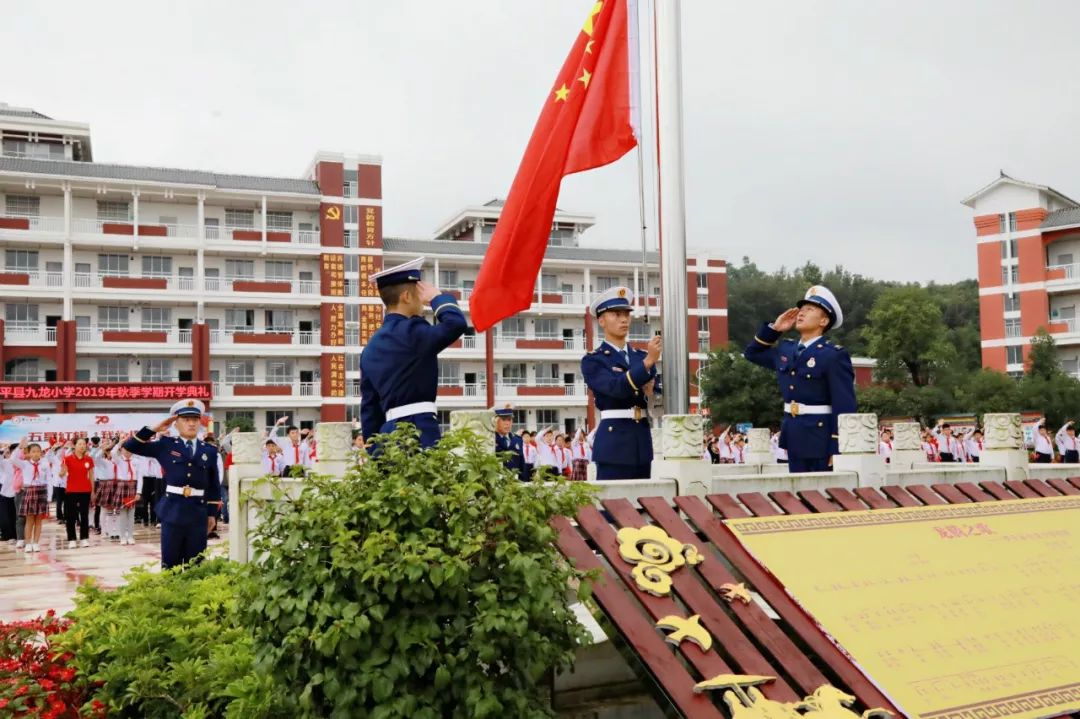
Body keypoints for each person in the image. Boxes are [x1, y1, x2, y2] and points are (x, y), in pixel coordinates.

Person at [744, 285, 856, 472]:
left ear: (823, 320)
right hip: (794, 434)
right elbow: (751, 353)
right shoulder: (786, 349)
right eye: (801, 310)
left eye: (809, 310)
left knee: (823, 497)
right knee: (798, 496)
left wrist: (837, 445)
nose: (801, 314)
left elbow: (844, 404)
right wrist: (775, 329)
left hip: (821, 437)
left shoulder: (833, 355)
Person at [360, 257, 467, 449]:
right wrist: (438, 298)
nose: (423, 302)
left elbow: (369, 408)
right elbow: (456, 324)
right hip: (420, 430)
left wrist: (375, 451)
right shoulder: (413, 331)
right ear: (407, 297)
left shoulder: (370, 347)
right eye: (419, 294)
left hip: (387, 437)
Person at [123, 399, 222, 569]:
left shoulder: (209, 450)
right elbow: (131, 446)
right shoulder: (166, 445)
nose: (191, 424)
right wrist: (154, 429)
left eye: (195, 419)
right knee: (170, 564)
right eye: (186, 420)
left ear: (200, 422)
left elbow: (213, 485)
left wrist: (211, 514)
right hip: (172, 511)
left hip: (198, 513)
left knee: (196, 564)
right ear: (176, 424)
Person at [581, 286, 661, 480]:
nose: (624, 319)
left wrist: (652, 393)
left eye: (626, 314)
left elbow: (656, 396)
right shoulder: (594, 360)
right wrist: (648, 363)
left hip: (641, 442)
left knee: (643, 506)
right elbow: (615, 388)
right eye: (616, 314)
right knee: (613, 507)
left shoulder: (639, 357)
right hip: (614, 445)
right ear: (601, 321)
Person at [9, 440, 53, 553]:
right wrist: (20, 446)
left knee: (38, 520)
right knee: (29, 520)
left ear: (41, 453)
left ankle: (36, 543)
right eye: (33, 451)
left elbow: (49, 480)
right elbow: (13, 459)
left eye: (38, 451)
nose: (36, 453)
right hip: (30, 491)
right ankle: (28, 543)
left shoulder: (45, 463)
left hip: (42, 491)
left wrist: (49, 497)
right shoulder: (25, 464)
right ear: (28, 453)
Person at [58, 437, 94, 548]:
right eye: (80, 444)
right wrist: (62, 472)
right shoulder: (67, 459)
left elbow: (91, 476)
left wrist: (93, 491)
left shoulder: (89, 459)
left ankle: (84, 538)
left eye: (84, 444)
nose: (82, 446)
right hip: (71, 491)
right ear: (75, 446)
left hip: (85, 490)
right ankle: (72, 539)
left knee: (84, 516)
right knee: (71, 516)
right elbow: (61, 474)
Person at [493, 405, 526, 481]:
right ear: (495, 421)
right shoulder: (491, 440)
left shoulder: (517, 440)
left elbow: (522, 465)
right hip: (497, 484)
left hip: (515, 484)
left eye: (509, 419)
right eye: (504, 420)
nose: (507, 423)